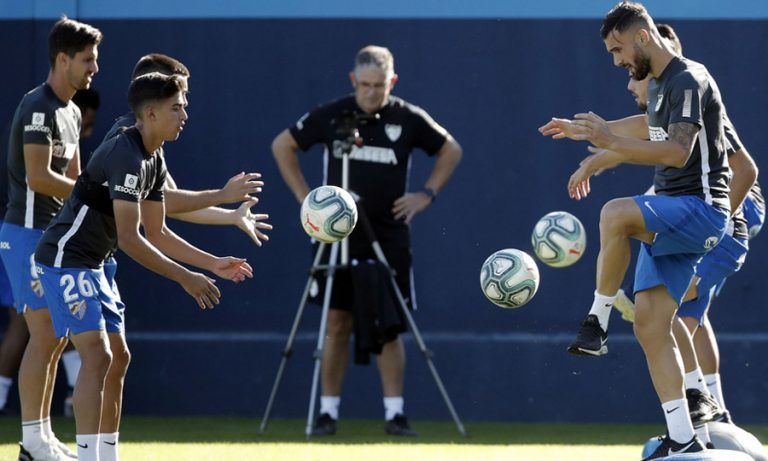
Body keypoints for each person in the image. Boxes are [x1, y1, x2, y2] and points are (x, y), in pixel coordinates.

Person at [539, 2, 732, 458]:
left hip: (701, 210)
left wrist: (609, 142)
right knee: (650, 327)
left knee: (614, 213)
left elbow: (679, 153)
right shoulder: (664, 85)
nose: (617, 61)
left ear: (643, 36)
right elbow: (645, 128)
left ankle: (597, 321)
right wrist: (587, 134)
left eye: (618, 49)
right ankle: (684, 438)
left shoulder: (687, 77)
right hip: (676, 215)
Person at [34, 72, 253, 461]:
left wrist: (213, 262)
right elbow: (132, 239)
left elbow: (159, 231)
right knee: (98, 356)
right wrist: (185, 277)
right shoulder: (127, 156)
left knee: (119, 358)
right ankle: (87, 457)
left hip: (95, 262)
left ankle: (107, 455)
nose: (185, 113)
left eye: (183, 105)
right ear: (150, 113)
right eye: (177, 106)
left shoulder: (153, 155)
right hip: (65, 259)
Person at [272, 45, 462, 436]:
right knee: (337, 321)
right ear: (353, 80)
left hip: (389, 235)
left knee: (389, 325)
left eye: (380, 85)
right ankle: (327, 414)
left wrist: (425, 194)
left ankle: (395, 414)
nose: (372, 92)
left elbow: (450, 149)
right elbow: (283, 145)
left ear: (392, 82)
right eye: (365, 85)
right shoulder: (334, 114)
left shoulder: (406, 118)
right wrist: (309, 202)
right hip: (336, 235)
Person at [610, 23, 761, 427]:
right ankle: (710, 413)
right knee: (684, 315)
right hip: (711, 216)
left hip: (737, 212)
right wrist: (602, 147)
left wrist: (711, 233)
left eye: (632, 72)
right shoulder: (663, 109)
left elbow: (744, 170)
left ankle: (707, 411)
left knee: (676, 314)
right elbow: (633, 134)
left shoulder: (688, 94)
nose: (629, 82)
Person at [0, 17, 102, 461]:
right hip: (25, 236)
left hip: (54, 237)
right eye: (87, 59)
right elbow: (41, 177)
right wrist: (96, 195)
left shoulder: (74, 110)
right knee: (43, 335)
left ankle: (38, 439)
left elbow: (76, 178)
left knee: (55, 338)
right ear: (62, 59)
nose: (94, 67)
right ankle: (32, 441)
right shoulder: (38, 107)